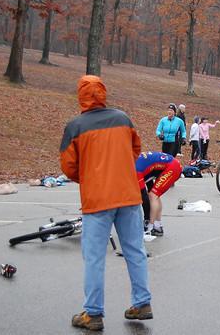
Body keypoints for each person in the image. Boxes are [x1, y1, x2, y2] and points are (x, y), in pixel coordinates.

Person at [60, 75, 152, 331]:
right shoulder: (123, 119)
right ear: (103, 92)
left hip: (98, 199)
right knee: (135, 251)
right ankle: (142, 303)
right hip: (129, 195)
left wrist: (89, 177)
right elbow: (135, 149)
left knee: (94, 257)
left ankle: (93, 313)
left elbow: (68, 166)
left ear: (81, 95)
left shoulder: (75, 126)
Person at [136, 151, 182, 236]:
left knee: (152, 196)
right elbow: (149, 185)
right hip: (171, 164)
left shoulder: (136, 170)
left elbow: (143, 195)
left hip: (172, 167)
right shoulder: (138, 163)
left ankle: (150, 227)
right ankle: (157, 226)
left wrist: (146, 219)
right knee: (154, 195)